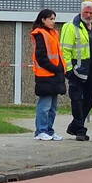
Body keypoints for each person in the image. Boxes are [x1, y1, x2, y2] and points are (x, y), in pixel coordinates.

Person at [61, 0, 92, 141]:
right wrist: (68, 69)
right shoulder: (70, 27)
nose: (88, 15)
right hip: (77, 70)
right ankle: (80, 130)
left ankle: (74, 126)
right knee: (77, 100)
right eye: (86, 12)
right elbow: (64, 50)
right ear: (81, 12)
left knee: (89, 101)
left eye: (91, 12)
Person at [30, 9, 66, 141]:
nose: (53, 21)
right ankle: (41, 131)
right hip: (45, 75)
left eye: (54, 19)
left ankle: (49, 131)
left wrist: (60, 70)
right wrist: (55, 68)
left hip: (55, 75)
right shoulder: (40, 33)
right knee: (45, 106)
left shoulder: (54, 33)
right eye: (51, 19)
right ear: (43, 19)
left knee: (52, 107)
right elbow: (41, 57)